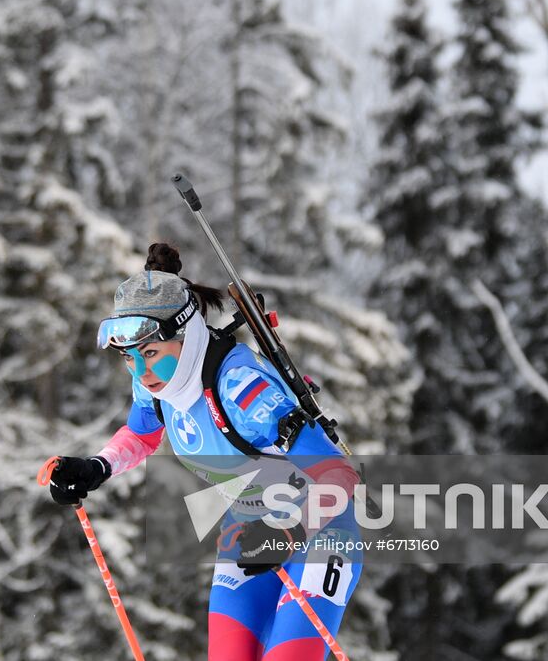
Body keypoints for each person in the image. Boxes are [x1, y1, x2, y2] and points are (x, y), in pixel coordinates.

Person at [47, 243, 361, 661]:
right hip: (247, 531)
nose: (141, 372)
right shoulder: (154, 381)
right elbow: (142, 435)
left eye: (151, 354)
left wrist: (288, 534)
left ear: (186, 335)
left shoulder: (240, 388)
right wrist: (98, 466)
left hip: (320, 533)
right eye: (129, 358)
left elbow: (340, 476)